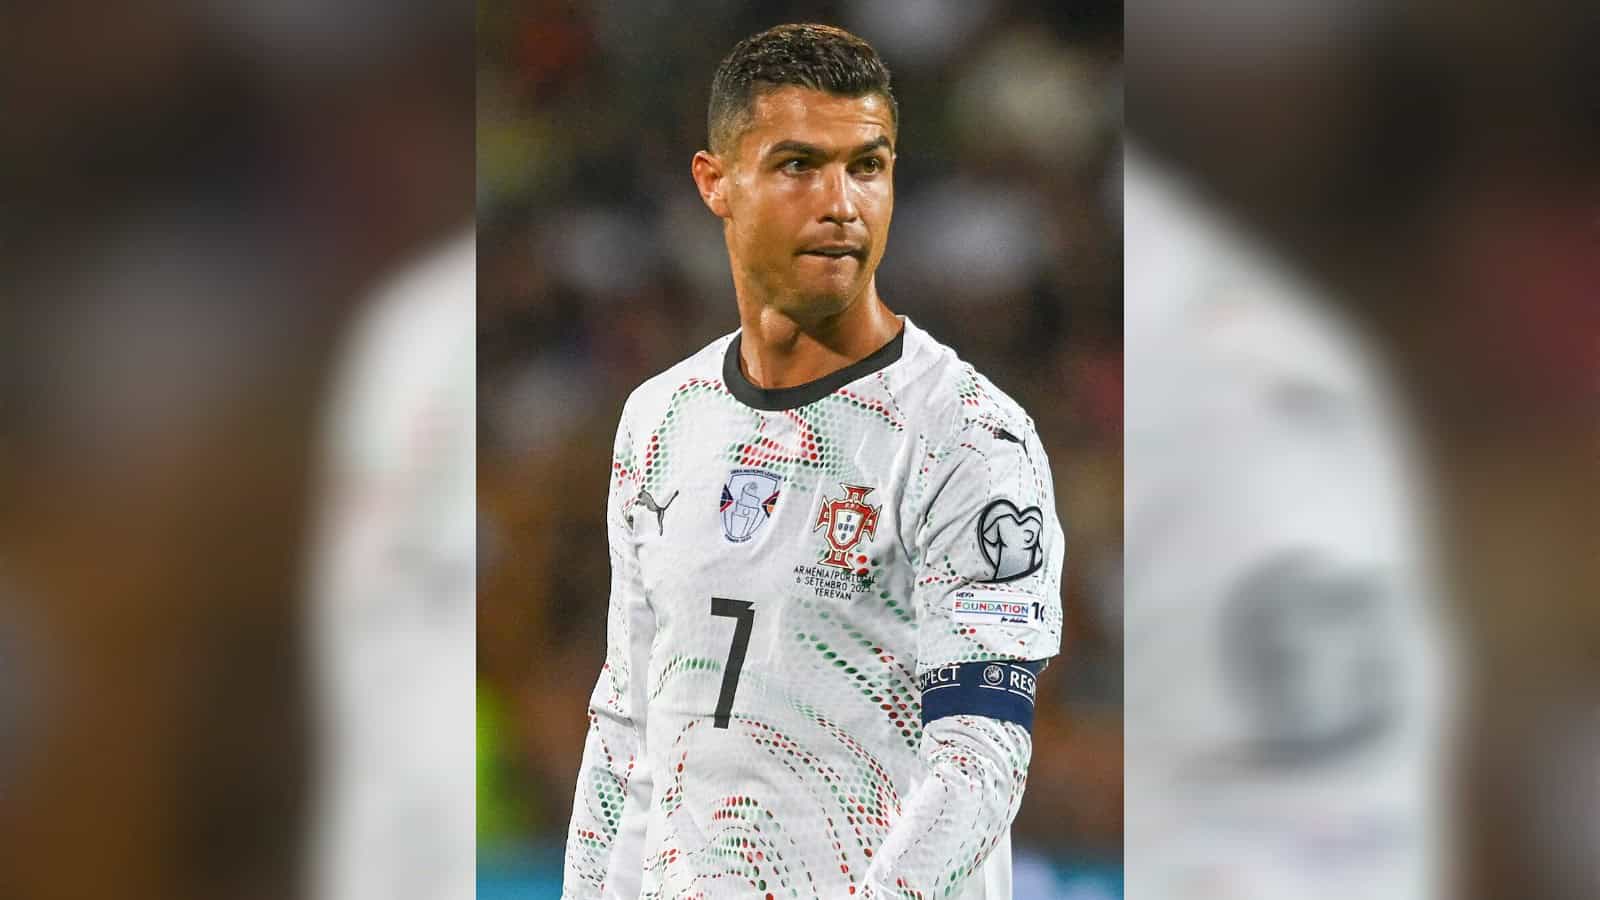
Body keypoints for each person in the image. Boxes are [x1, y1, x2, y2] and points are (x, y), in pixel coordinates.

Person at [560, 23, 1064, 900]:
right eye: (799, 165)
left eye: (867, 165)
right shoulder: (661, 418)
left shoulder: (968, 436)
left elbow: (982, 754)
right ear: (715, 183)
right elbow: (627, 726)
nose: (842, 202)